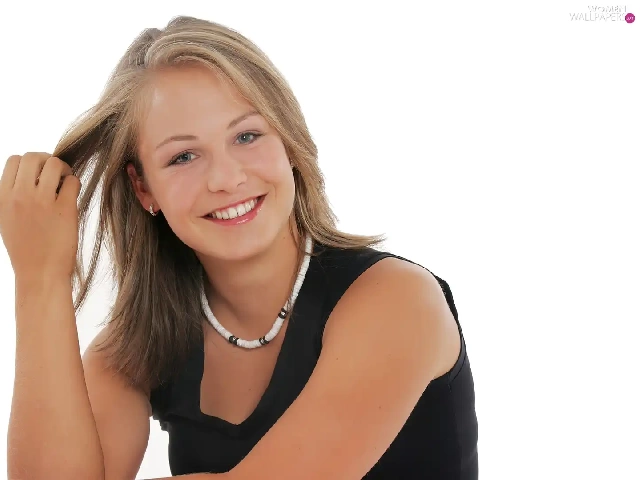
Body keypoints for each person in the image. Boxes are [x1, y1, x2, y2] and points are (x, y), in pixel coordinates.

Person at [1, 15, 478, 480]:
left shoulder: (397, 301)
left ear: (288, 141)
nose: (227, 178)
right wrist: (39, 280)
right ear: (143, 188)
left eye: (247, 136)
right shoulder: (144, 340)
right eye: (183, 156)